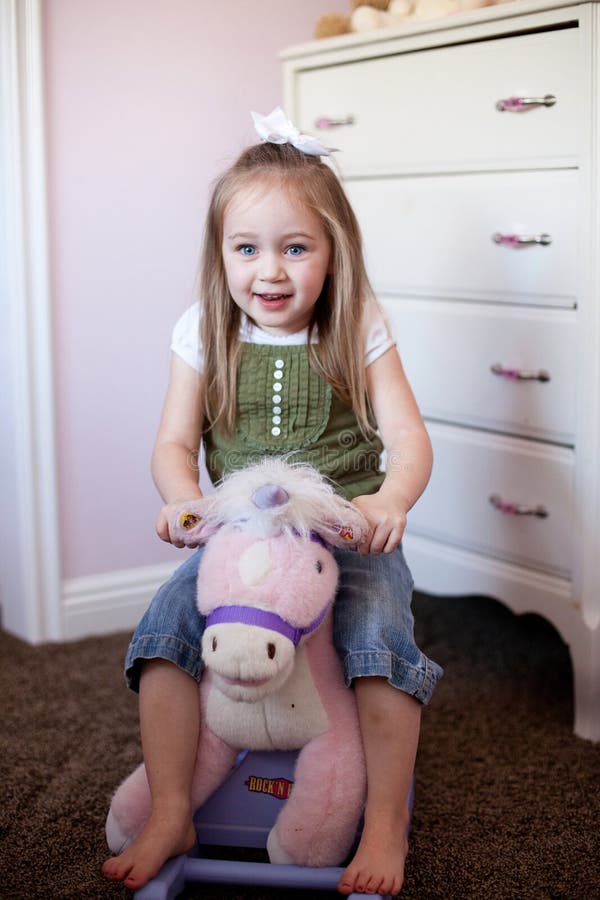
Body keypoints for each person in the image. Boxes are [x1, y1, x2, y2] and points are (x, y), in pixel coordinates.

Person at [102, 107, 442, 896]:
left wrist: (391, 499)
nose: (272, 272)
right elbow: (173, 445)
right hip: (237, 539)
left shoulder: (359, 326)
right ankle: (173, 809)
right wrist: (185, 500)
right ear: (220, 254)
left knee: (380, 643)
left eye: (296, 248)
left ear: (334, 253)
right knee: (164, 632)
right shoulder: (202, 331)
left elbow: (410, 437)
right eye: (247, 249)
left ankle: (386, 822)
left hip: (345, 535)